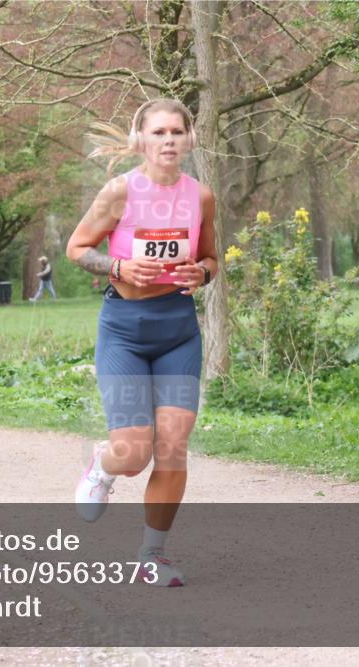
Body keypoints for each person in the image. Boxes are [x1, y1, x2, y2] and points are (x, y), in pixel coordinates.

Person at [66, 99, 218, 587]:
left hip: (177, 330)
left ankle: (153, 555)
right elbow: (76, 248)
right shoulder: (119, 192)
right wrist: (118, 267)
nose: (169, 140)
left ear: (189, 139)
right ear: (141, 140)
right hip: (126, 331)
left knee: (173, 446)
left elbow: (213, 258)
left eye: (177, 131)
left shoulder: (202, 197)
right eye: (159, 132)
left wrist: (203, 272)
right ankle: (103, 468)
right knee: (134, 454)